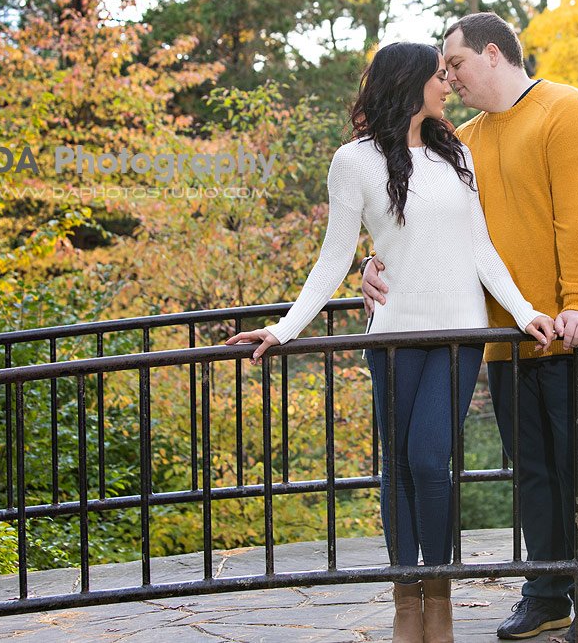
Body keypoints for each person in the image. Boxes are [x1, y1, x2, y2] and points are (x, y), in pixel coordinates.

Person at [226, 41, 556, 643]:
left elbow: (480, 248)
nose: (447, 85)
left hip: (460, 333)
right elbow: (333, 259)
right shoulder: (352, 163)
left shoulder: (455, 154)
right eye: (437, 77)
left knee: (431, 460)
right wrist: (282, 329)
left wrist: (525, 311)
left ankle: (441, 597)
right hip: (394, 337)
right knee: (397, 467)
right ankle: (408, 603)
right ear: (407, 85)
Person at [363, 14, 578, 643]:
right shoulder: (465, 140)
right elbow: (423, 224)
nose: (448, 79)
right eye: (442, 72)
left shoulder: (567, 110)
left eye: (453, 65)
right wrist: (372, 268)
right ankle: (546, 592)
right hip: (508, 334)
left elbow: (577, 216)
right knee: (532, 467)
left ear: (491, 54)